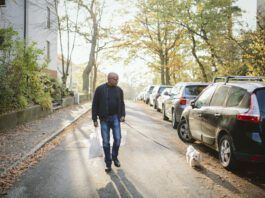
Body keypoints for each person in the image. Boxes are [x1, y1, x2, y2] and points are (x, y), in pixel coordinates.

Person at [92, 72, 126, 173]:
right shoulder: (100, 89)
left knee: (118, 139)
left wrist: (123, 115)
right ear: (109, 79)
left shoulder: (119, 90)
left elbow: (122, 104)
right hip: (104, 119)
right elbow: (94, 104)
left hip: (115, 118)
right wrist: (94, 119)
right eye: (115, 79)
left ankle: (114, 157)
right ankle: (108, 163)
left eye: (118, 79)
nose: (117, 81)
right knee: (106, 142)